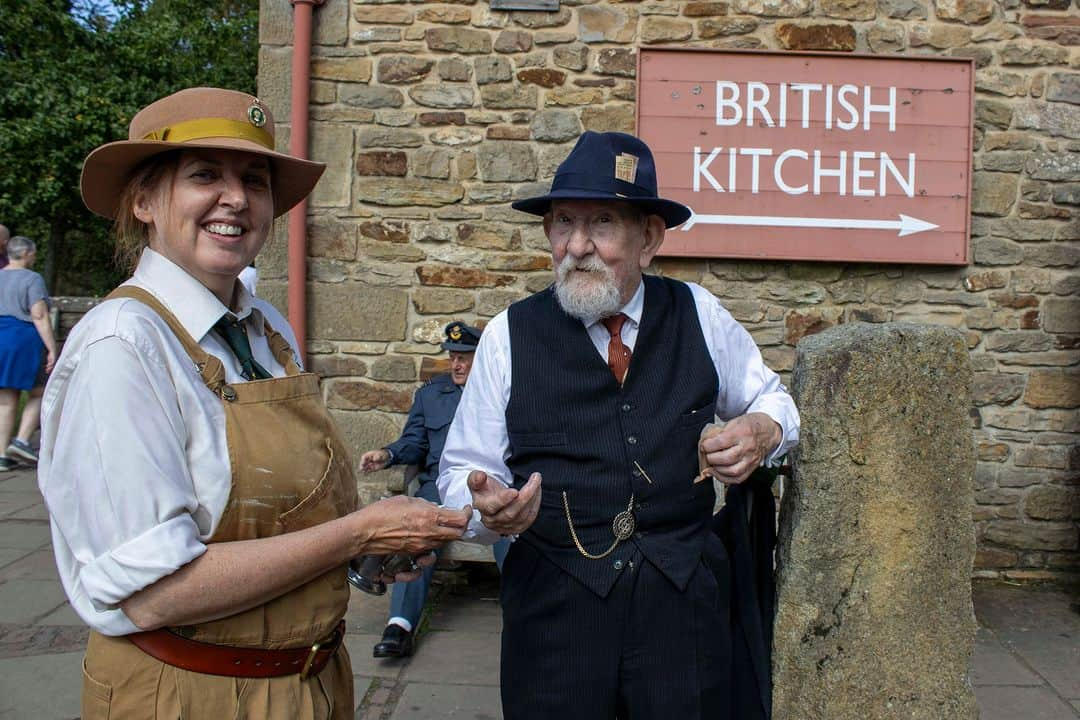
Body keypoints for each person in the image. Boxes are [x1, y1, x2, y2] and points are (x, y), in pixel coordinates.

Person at [38, 87, 470, 720]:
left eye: (255, 180)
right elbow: (154, 592)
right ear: (144, 200)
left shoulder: (265, 327)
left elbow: (278, 523)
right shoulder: (122, 346)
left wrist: (366, 557)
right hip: (188, 693)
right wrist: (355, 532)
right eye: (204, 175)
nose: (236, 198)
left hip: (310, 684)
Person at [438, 131, 800, 720]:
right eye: (562, 223)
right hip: (556, 622)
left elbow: (775, 400)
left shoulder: (699, 314)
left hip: (682, 617)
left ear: (649, 238)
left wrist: (762, 430)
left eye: (602, 223)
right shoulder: (509, 336)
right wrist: (486, 507)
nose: (576, 246)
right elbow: (462, 472)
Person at [360, 321, 510, 659]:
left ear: (480, 357)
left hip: (490, 485)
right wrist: (388, 454)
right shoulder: (430, 395)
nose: (456, 364)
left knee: (509, 532)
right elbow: (414, 442)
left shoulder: (501, 391)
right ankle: (399, 626)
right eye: (452, 357)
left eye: (464, 357)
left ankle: (527, 620)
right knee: (414, 531)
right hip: (439, 487)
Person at [0, 236, 58, 470]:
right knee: (41, 389)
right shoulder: (32, 279)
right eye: (33, 254)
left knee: (6, 398)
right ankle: (22, 440)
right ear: (25, 254)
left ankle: (2, 455)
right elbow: (39, 315)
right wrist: (52, 348)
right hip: (21, 339)